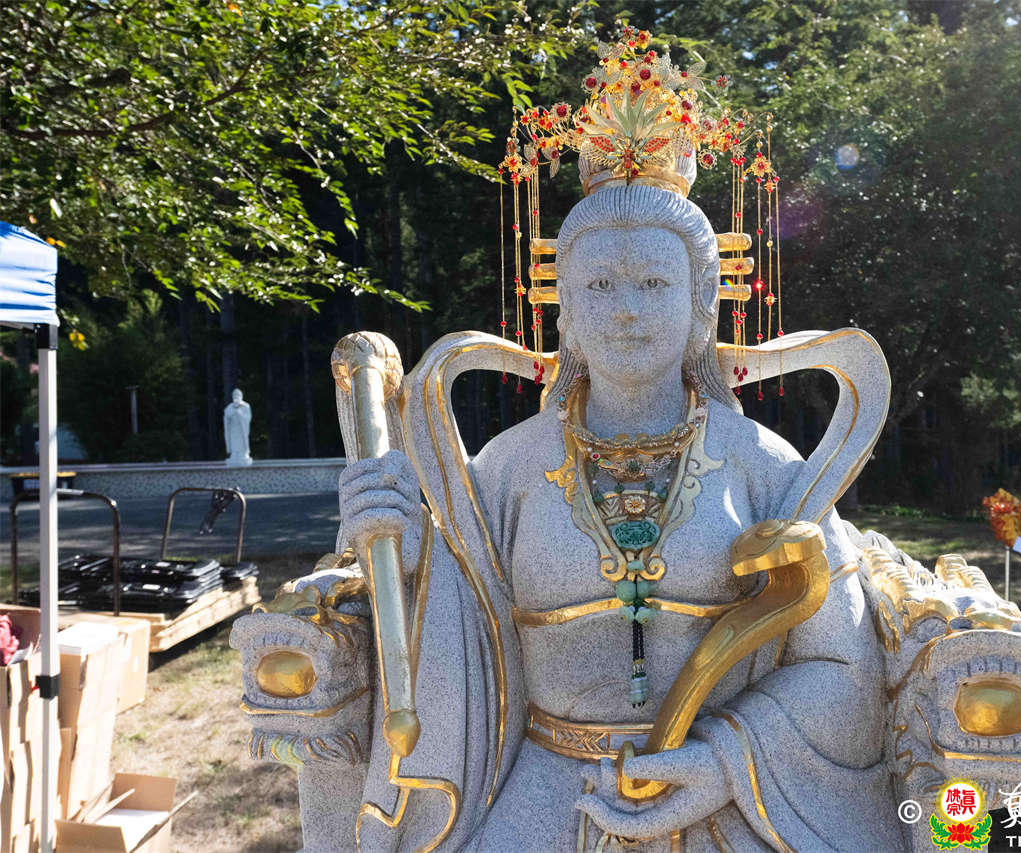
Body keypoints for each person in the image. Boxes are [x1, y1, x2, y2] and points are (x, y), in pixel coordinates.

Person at [338, 181, 905, 852]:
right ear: (565, 308)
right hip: (548, 788)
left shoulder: (762, 463)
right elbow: (466, 626)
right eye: (599, 285)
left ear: (701, 302)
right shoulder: (510, 467)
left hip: (725, 793)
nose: (626, 310)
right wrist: (409, 559)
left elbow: (842, 666)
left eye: (654, 283)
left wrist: (723, 761)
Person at [223, 387, 252, 466]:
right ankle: (234, 454)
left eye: (237, 395)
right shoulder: (229, 407)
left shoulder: (246, 406)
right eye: (234, 395)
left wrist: (240, 415)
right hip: (233, 429)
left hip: (242, 429)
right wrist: (230, 415)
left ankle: (243, 453)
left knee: (242, 441)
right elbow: (226, 415)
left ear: (241, 396)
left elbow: (248, 418)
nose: (236, 397)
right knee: (234, 442)